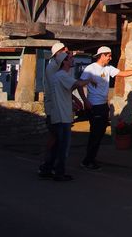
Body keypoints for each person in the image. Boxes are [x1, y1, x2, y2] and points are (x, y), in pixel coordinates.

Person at [79, 46, 132, 170]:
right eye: (109, 55)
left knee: (99, 134)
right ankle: (87, 161)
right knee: (95, 134)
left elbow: (122, 73)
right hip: (94, 106)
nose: (110, 58)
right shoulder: (91, 69)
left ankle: (90, 159)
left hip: (103, 105)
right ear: (102, 55)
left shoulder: (108, 68)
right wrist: (85, 101)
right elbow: (79, 85)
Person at [39, 51, 91, 181]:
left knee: (56, 145)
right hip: (63, 116)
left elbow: (68, 89)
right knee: (63, 147)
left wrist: (75, 101)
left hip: (59, 114)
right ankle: (59, 172)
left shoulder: (58, 76)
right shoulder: (62, 75)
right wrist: (90, 80)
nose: (72, 60)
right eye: (70, 58)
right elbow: (78, 84)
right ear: (65, 62)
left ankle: (47, 169)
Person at [39, 42, 68, 174]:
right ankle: (47, 165)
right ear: (58, 53)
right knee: (54, 137)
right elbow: (56, 87)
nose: (66, 51)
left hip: (59, 107)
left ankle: (49, 166)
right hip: (53, 107)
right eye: (64, 50)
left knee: (57, 137)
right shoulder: (52, 68)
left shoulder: (60, 67)